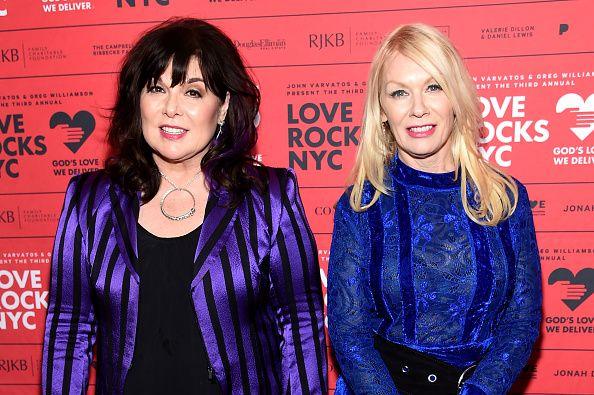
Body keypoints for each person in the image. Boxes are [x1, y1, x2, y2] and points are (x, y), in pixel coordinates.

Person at [42, 18, 327, 395]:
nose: (170, 109)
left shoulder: (268, 198)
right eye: (156, 89)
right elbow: (69, 329)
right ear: (136, 99)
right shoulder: (89, 202)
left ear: (223, 106)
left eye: (193, 92)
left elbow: (300, 325)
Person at [328, 24, 541, 395]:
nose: (418, 108)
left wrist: (479, 391)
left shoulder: (505, 200)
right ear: (381, 110)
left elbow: (521, 321)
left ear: (455, 96)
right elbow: (348, 331)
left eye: (433, 86)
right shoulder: (362, 205)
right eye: (399, 93)